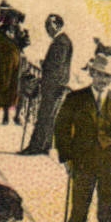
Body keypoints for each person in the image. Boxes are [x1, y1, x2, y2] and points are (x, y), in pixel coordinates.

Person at [53, 49, 111, 222]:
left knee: (106, 216)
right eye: (98, 74)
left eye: (107, 76)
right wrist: (67, 158)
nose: (102, 79)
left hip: (110, 166)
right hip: (83, 164)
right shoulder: (76, 98)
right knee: (77, 215)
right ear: (92, 74)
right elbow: (61, 129)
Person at [23, 13, 73, 155]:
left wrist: (44, 64)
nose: (47, 29)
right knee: (48, 116)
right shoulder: (62, 41)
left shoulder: (61, 42)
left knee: (44, 115)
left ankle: (36, 147)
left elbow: (56, 65)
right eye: (46, 25)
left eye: (49, 25)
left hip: (54, 85)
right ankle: (45, 146)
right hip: (56, 85)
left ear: (57, 25)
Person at [0, 6, 27, 125]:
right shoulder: (1, 31)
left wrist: (25, 40)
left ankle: (16, 115)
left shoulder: (18, 31)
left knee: (16, 88)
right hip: (4, 62)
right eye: (11, 19)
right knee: (5, 87)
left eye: (15, 20)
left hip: (16, 62)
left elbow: (23, 45)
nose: (13, 22)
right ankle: (6, 115)